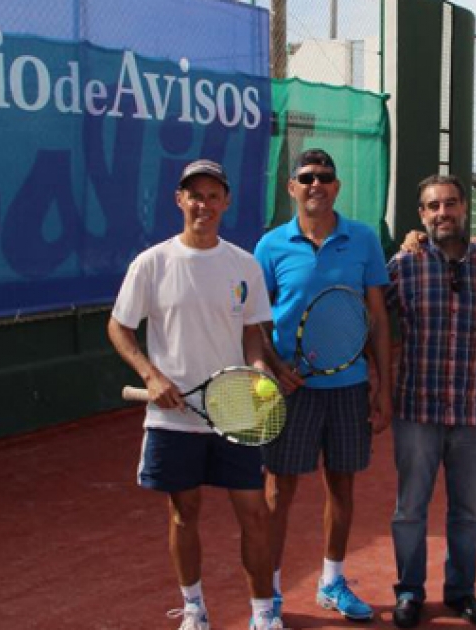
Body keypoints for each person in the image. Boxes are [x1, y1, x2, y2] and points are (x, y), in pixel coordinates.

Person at [107, 159, 282, 630]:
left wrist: (259, 368)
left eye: (212, 195)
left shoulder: (243, 264)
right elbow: (119, 326)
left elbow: (252, 334)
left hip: (235, 411)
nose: (203, 204)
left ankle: (264, 614)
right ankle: (194, 609)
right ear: (179, 200)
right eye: (194, 195)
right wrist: (150, 374)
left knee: (255, 512)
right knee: (184, 513)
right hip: (172, 419)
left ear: (225, 202)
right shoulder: (151, 263)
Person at [254, 148, 393, 622]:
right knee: (278, 491)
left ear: (336, 188)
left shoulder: (364, 240)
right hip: (288, 391)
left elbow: (376, 316)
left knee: (342, 486)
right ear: (292, 187)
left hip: (349, 386)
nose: (317, 184)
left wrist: (383, 386)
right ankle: (267, 596)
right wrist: (274, 365)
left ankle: (332, 581)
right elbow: (253, 322)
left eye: (326, 178)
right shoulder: (270, 246)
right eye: (306, 177)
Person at [385, 175, 476, 628]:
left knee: (467, 512)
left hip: (474, 410)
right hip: (417, 411)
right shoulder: (404, 265)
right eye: (433, 207)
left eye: (450, 204)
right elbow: (372, 318)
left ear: (464, 208)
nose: (442, 214)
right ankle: (410, 591)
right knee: (410, 508)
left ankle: (461, 592)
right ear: (422, 215)